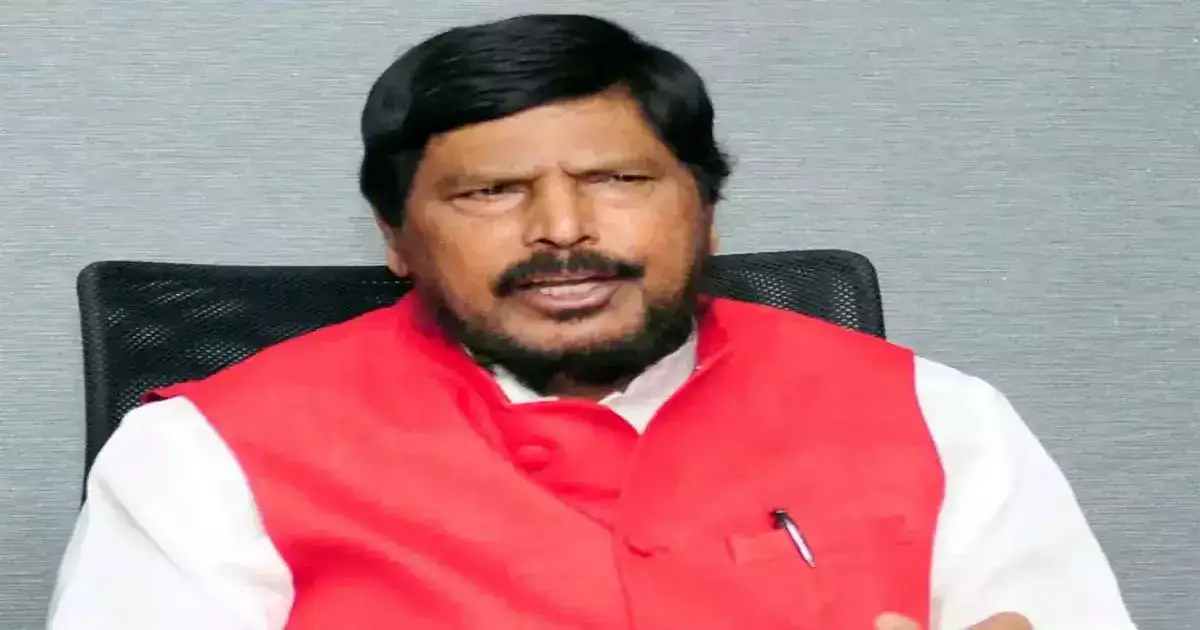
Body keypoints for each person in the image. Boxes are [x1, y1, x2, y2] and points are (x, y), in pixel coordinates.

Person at [48, 13, 1136, 630]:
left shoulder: (940, 416)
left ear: (706, 210)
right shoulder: (199, 457)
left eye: (618, 179)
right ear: (397, 237)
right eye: (490, 192)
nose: (563, 230)